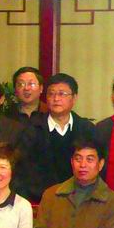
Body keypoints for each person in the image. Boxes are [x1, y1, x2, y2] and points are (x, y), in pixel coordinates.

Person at [16, 73, 95, 202]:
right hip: (41, 201)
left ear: (74, 98)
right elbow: (21, 170)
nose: (56, 98)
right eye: (51, 94)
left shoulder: (86, 129)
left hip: (81, 200)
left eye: (62, 94)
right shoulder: (32, 129)